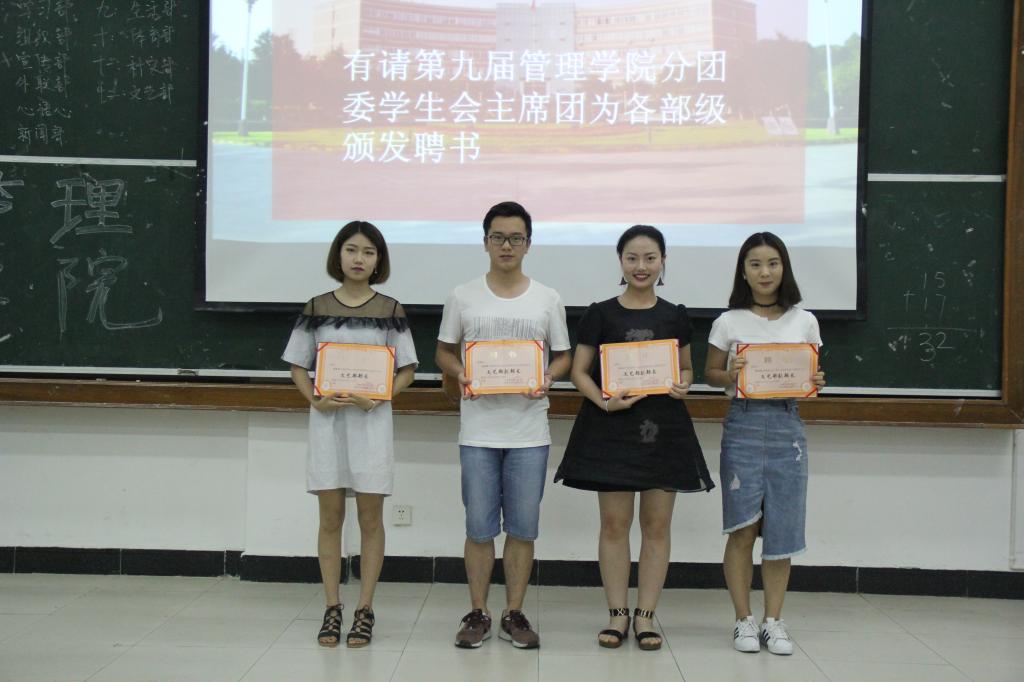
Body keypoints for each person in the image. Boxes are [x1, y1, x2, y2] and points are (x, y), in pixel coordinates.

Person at [554, 225, 715, 651]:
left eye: (649, 258)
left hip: (664, 431)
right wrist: (605, 403)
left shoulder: (675, 315)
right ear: (620, 262)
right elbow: (579, 372)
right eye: (632, 258)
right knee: (614, 525)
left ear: (663, 261)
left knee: (656, 526)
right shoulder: (600, 313)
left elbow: (686, 368)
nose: (640, 266)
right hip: (611, 429)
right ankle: (617, 614)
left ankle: (645, 616)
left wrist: (683, 384)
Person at [435, 201, 571, 650]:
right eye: (498, 237)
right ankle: (478, 612)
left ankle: (514, 613)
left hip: (529, 433)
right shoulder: (462, 295)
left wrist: (549, 376)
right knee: (479, 528)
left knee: (522, 528)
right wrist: (459, 372)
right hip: (478, 431)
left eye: (515, 238)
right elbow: (444, 351)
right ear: (485, 242)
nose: (506, 245)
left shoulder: (547, 298)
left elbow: (563, 355)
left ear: (528, 244)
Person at [282, 221, 418, 648]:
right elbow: (298, 365)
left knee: (370, 519)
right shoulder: (316, 307)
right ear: (338, 255)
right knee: (330, 519)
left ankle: (365, 609)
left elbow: (408, 370)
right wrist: (315, 399)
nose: (359, 259)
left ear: (379, 261)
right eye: (352, 250)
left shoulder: (391, 309)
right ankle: (331, 606)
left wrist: (379, 396)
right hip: (329, 424)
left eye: (369, 252)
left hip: (372, 424)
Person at [703, 231, 826, 655]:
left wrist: (817, 380)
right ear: (743, 271)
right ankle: (743, 620)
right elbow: (711, 374)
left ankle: (774, 621)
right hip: (744, 423)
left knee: (782, 529)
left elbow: (812, 374)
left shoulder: (804, 320)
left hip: (787, 425)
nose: (765, 272)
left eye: (772, 263)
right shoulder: (729, 321)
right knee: (742, 528)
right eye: (755, 264)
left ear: (784, 267)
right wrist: (730, 373)